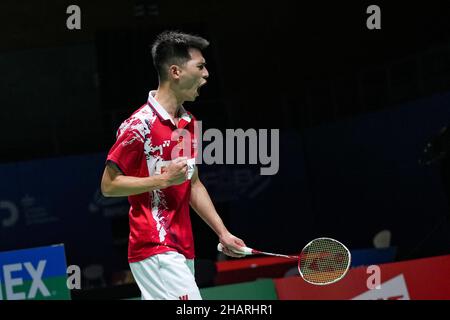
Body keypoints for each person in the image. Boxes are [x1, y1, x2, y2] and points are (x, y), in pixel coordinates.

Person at [100, 30, 246, 300]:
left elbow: (193, 183)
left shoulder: (188, 123)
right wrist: (162, 181)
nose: (206, 75)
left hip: (181, 246)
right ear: (176, 71)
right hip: (154, 244)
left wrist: (223, 233)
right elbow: (109, 186)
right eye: (200, 66)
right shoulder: (138, 125)